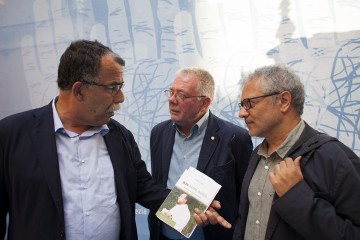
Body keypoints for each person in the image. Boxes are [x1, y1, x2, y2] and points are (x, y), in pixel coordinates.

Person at [0, 39, 172, 240]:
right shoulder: (12, 134)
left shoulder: (119, 136)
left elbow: (145, 188)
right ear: (79, 90)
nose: (121, 98)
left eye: (121, 86)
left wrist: (193, 208)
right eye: (113, 87)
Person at [195, 65, 360, 240]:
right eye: (242, 104)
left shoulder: (332, 157)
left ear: (284, 101)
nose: (241, 113)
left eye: (249, 103)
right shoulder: (257, 154)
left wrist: (296, 196)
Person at [148, 67, 253, 240]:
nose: (172, 100)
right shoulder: (159, 133)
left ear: (204, 103)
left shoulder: (235, 137)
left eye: (182, 95)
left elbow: (244, 198)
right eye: (171, 92)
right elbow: (157, 185)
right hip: (163, 235)